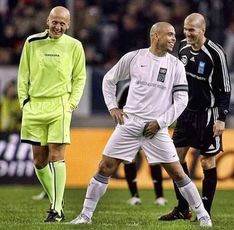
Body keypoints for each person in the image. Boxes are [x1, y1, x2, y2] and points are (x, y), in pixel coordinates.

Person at [69, 22, 212, 227]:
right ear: (155, 36)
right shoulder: (134, 57)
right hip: (129, 123)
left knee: (178, 172)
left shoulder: (176, 65)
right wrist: (113, 107)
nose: (174, 38)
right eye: (170, 34)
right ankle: (85, 215)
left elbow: (181, 100)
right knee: (104, 167)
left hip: (156, 128)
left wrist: (160, 122)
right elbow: (109, 80)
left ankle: (203, 215)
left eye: (174, 35)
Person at [159, 13, 231, 221]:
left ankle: (205, 212)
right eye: (185, 29)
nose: (187, 33)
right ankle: (183, 208)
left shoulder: (216, 53)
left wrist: (222, 118)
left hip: (208, 114)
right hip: (185, 113)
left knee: (207, 162)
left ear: (203, 30)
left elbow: (226, 89)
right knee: (175, 159)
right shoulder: (181, 47)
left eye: (192, 30)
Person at [17, 6, 86, 222]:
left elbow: (80, 77)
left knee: (56, 155)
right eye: (54, 22)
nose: (58, 26)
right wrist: (24, 103)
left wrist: (71, 104)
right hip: (35, 107)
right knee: (39, 161)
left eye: (62, 23)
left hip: (60, 107)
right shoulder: (32, 42)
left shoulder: (75, 46)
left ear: (68, 24)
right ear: (47, 21)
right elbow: (23, 75)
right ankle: (56, 198)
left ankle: (56, 209)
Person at [117, 81, 167, 206]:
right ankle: (135, 196)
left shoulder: (155, 87)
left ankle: (159, 196)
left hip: (150, 128)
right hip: (132, 129)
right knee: (129, 159)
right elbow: (118, 107)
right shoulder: (128, 87)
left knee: (154, 160)